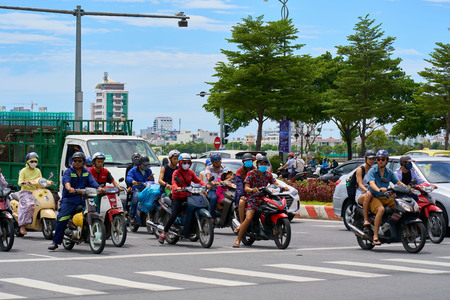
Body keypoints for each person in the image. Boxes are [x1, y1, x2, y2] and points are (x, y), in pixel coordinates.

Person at [48, 152, 100, 250]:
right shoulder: (68, 172)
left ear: (83, 162)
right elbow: (66, 182)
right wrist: (69, 188)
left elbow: (93, 182)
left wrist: (99, 188)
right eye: (75, 160)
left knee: (93, 211)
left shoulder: (86, 173)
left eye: (79, 161)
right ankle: (55, 242)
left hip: (84, 199)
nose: (76, 162)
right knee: (62, 218)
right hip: (70, 200)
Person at [233, 156, 288, 248]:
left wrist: (283, 187)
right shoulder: (251, 173)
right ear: (257, 164)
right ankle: (238, 240)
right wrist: (252, 189)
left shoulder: (268, 174)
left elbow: (275, 183)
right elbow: (246, 188)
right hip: (253, 199)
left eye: (265, 164)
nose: (263, 166)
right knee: (249, 218)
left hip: (264, 198)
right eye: (261, 164)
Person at [158, 153, 207, 244]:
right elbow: (174, 182)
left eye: (188, 162)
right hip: (177, 197)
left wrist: (206, 185)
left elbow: (198, 181)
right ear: (180, 163)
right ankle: (163, 233)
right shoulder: (176, 172)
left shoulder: (191, 173)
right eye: (184, 162)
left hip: (188, 196)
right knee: (174, 214)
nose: (186, 164)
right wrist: (176, 187)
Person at [366, 149, 407, 246]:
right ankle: (375, 236)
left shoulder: (389, 172)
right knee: (381, 210)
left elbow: (398, 182)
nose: (380, 161)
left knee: (401, 206)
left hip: (386, 197)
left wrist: (407, 188)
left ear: (386, 160)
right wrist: (379, 189)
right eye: (379, 159)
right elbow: (371, 183)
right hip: (375, 197)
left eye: (383, 159)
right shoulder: (372, 171)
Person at [17, 152, 43, 235]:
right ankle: (22, 226)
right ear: (28, 162)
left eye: (35, 161)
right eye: (32, 162)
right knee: (28, 205)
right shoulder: (23, 171)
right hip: (25, 192)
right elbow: (19, 183)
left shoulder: (38, 171)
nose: (34, 163)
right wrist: (24, 182)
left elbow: (40, 180)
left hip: (37, 192)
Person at [126, 155, 154, 223]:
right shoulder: (133, 170)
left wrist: (150, 179)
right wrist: (133, 181)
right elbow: (128, 177)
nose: (146, 166)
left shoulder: (148, 170)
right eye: (144, 164)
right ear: (140, 163)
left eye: (147, 165)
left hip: (146, 189)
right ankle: (131, 215)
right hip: (137, 189)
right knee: (136, 197)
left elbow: (152, 181)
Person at [234, 153, 255, 232]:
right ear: (243, 162)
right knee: (242, 202)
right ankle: (242, 224)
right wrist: (242, 195)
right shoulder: (239, 171)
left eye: (249, 161)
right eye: (246, 161)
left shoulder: (255, 170)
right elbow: (239, 185)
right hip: (243, 193)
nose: (248, 162)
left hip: (254, 193)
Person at [355, 150, 376, 227]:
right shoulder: (360, 169)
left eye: (373, 159)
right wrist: (366, 190)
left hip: (372, 191)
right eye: (370, 159)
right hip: (361, 192)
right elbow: (360, 184)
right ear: (365, 158)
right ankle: (366, 219)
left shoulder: (373, 170)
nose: (372, 161)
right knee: (368, 195)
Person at [205, 153, 224, 223]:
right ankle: (212, 216)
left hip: (223, 189)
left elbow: (229, 175)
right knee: (214, 198)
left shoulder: (224, 168)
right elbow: (208, 178)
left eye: (219, 161)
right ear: (212, 162)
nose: (218, 163)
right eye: (216, 162)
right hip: (212, 189)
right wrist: (214, 183)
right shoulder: (209, 168)